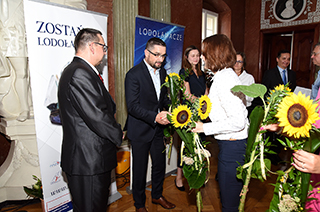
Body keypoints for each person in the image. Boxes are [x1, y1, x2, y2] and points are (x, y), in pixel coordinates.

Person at [58, 28, 122, 212]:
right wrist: (119, 134)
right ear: (93, 46)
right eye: (104, 47)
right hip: (88, 161)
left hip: (90, 160)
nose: (105, 51)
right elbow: (98, 116)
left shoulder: (81, 70)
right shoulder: (79, 73)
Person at [192, 34, 248, 212]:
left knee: (229, 204)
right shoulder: (226, 75)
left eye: (204, 52)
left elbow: (238, 121)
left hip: (233, 149)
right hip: (232, 146)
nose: (201, 57)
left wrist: (203, 127)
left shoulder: (224, 79)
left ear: (215, 53)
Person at [125, 37, 175, 212]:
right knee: (139, 170)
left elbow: (163, 99)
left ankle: (157, 196)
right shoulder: (133, 75)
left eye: (163, 56)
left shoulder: (162, 73)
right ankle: (139, 205)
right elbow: (132, 107)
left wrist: (169, 110)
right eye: (157, 55)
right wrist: (155, 117)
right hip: (140, 129)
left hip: (158, 129)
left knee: (159, 165)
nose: (160, 59)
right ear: (146, 53)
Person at [174, 45, 208, 191]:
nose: (195, 58)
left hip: (202, 112)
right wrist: (200, 103)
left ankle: (198, 174)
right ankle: (179, 177)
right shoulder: (184, 72)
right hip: (188, 113)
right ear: (187, 57)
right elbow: (186, 95)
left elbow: (206, 91)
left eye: (197, 55)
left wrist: (205, 104)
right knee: (186, 147)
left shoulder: (203, 72)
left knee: (200, 146)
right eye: (192, 55)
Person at [262, 49, 296, 165]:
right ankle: (269, 155)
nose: (286, 61)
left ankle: (277, 153)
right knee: (272, 132)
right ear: (277, 59)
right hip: (273, 108)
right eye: (284, 58)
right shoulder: (269, 73)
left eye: (288, 59)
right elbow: (266, 91)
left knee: (282, 132)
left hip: (286, 109)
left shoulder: (292, 74)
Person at [233, 52, 255, 116]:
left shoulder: (249, 78)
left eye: (239, 61)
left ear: (243, 64)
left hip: (245, 109)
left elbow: (251, 97)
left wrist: (239, 93)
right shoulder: (228, 76)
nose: (236, 63)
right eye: (235, 61)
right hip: (230, 109)